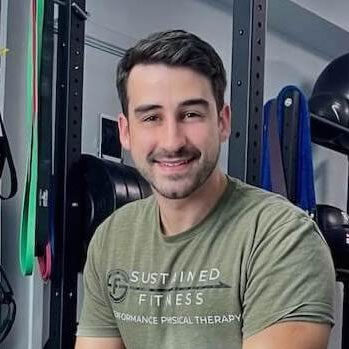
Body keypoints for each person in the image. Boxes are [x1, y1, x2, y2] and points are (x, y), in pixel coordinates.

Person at [75, 30, 336, 349]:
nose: (172, 141)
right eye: (152, 117)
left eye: (191, 114)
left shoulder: (283, 239)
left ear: (223, 122)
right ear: (126, 132)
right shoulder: (112, 238)